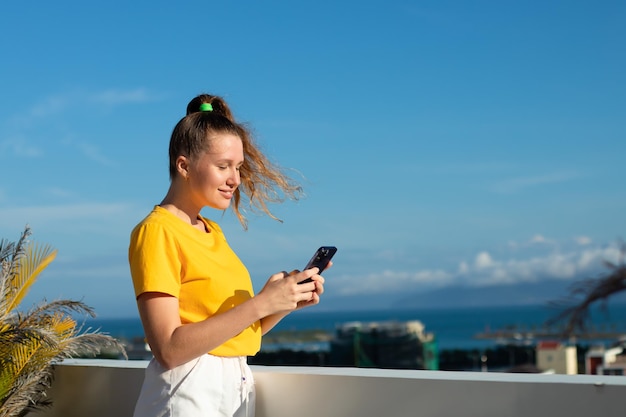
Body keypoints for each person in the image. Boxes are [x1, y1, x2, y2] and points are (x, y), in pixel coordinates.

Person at [128, 93, 326, 417]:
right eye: (223, 166)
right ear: (184, 165)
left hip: (234, 392)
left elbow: (229, 336)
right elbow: (168, 349)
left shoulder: (212, 232)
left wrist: (282, 304)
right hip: (186, 394)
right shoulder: (156, 231)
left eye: (238, 167)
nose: (235, 179)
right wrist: (261, 303)